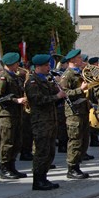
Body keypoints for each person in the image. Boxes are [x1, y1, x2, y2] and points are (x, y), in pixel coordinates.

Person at [25, 54, 67, 190]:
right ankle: (38, 180)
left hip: (51, 120)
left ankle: (44, 177)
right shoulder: (32, 82)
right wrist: (56, 96)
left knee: (50, 151)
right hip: (41, 121)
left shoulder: (47, 80)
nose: (49, 67)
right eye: (46, 65)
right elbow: (38, 100)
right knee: (41, 151)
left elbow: (55, 100)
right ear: (38, 67)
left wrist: (60, 92)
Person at [0, 52, 28, 180]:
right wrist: (16, 100)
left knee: (16, 141)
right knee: (7, 142)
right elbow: (0, 97)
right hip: (6, 114)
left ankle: (12, 166)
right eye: (16, 63)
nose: (18, 65)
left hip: (17, 113)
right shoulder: (3, 77)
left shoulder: (15, 77)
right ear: (11, 64)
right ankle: (5, 168)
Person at [60, 49, 91, 179]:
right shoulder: (67, 75)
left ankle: (77, 165)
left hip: (83, 110)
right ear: (72, 60)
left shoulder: (80, 73)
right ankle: (72, 168)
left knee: (84, 140)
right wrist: (80, 89)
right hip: (74, 112)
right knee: (75, 140)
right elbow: (65, 93)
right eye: (79, 58)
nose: (81, 60)